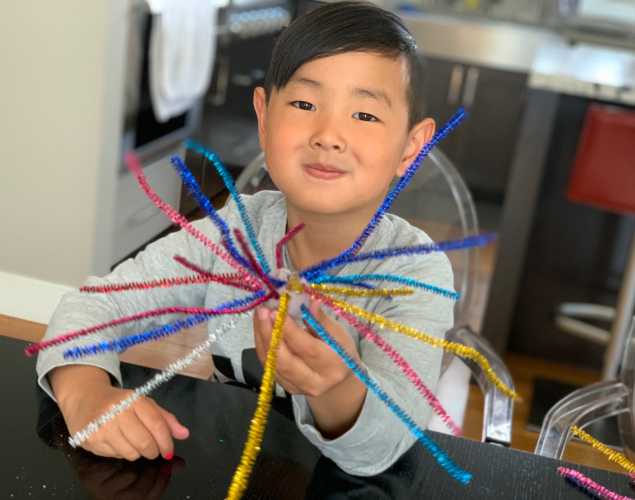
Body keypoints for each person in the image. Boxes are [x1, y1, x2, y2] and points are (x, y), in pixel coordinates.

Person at [37, 1, 454, 476]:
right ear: (263, 117)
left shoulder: (416, 271)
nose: (328, 135)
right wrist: (84, 391)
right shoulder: (233, 231)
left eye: (364, 115)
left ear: (410, 147)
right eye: (303, 104)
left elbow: (383, 452)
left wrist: (335, 385)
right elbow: (94, 304)